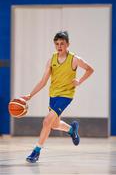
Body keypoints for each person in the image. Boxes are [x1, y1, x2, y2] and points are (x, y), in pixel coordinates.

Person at [22, 31, 94, 163]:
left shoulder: (74, 59)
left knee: (46, 121)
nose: (59, 46)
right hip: (53, 95)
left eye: (62, 43)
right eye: (57, 44)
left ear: (68, 44)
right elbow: (43, 81)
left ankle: (36, 152)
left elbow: (90, 69)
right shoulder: (51, 60)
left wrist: (80, 81)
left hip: (66, 95)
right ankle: (72, 129)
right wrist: (30, 95)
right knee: (54, 124)